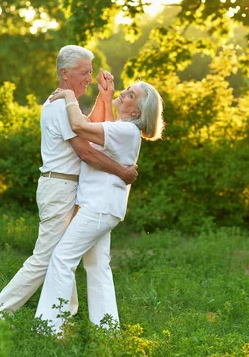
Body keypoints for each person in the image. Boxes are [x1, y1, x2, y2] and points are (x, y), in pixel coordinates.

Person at [0, 45, 137, 316]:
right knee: (46, 258)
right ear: (64, 73)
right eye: (83, 73)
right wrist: (122, 172)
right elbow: (86, 151)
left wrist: (105, 98)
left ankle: (62, 318)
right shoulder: (60, 105)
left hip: (68, 187)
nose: (89, 79)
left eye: (91, 72)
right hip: (60, 187)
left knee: (63, 255)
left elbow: (92, 127)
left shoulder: (68, 103)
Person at [34, 80, 164, 335]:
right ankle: (107, 331)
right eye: (127, 90)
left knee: (62, 258)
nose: (124, 93)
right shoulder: (121, 129)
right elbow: (97, 133)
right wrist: (106, 97)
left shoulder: (125, 131)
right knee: (97, 266)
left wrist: (70, 95)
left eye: (130, 95)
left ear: (136, 111)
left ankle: (48, 328)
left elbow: (79, 125)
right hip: (104, 208)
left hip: (99, 208)